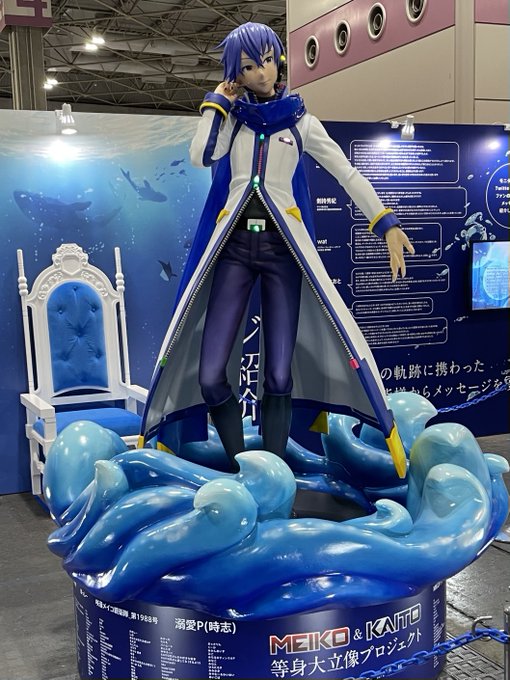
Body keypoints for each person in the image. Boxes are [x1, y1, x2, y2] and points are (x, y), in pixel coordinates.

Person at [140, 22, 414, 477]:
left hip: (283, 252)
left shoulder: (302, 122)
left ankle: (275, 475)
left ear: (279, 59)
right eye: (249, 66)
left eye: (267, 60)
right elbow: (201, 155)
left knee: (279, 377)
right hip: (232, 249)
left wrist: (384, 222)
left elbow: (346, 173)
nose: (262, 72)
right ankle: (244, 470)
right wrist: (216, 103)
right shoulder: (232, 120)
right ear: (237, 73)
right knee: (210, 376)